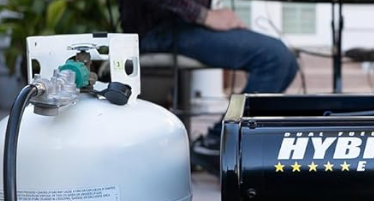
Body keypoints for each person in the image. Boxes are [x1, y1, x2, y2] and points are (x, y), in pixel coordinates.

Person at [120, 0, 299, 173]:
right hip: (158, 30)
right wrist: (205, 16)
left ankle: (220, 144)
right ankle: (218, 143)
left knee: (288, 63)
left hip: (185, 26)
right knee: (276, 58)